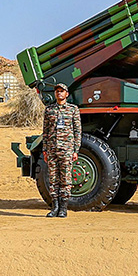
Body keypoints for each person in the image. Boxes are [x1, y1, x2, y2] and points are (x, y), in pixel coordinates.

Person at [41, 82, 81, 218]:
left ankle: (63, 208)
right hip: (52, 149)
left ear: (67, 94)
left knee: (65, 179)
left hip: (67, 149)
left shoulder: (73, 109)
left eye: (62, 91)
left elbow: (77, 131)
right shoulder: (49, 110)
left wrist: (75, 150)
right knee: (53, 179)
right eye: (57, 91)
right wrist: (45, 149)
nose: (59, 93)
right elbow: (45, 132)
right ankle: (55, 207)